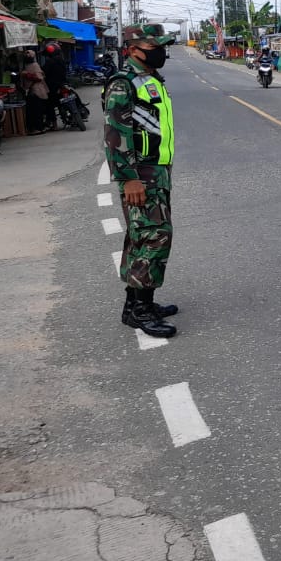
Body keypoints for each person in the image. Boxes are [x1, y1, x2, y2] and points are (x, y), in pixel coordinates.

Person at [104, 24, 180, 339]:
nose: (160, 51)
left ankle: (136, 304)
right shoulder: (124, 84)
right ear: (133, 49)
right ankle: (141, 311)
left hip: (155, 172)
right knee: (155, 237)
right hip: (140, 175)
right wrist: (128, 179)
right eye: (154, 46)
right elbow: (115, 135)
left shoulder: (149, 79)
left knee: (142, 236)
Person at [20, 50, 50, 134]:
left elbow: (39, 77)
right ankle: (37, 128)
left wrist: (26, 74)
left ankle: (38, 128)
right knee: (35, 111)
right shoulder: (28, 66)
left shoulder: (33, 65)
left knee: (36, 111)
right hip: (32, 91)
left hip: (35, 90)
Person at [42, 43, 67, 130]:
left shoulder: (50, 62)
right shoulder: (62, 60)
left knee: (49, 105)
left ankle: (54, 124)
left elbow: (44, 72)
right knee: (61, 102)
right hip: (63, 84)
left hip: (52, 86)